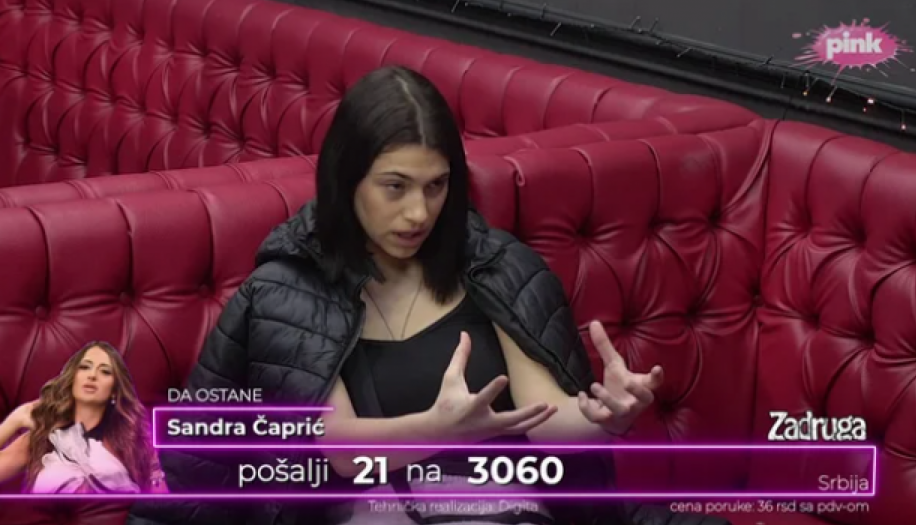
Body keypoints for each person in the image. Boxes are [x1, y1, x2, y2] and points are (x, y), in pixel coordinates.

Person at [127, 65, 728, 525]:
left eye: (436, 186)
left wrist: (606, 418)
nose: (419, 212)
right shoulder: (290, 289)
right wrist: (439, 430)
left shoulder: (494, 267)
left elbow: (545, 418)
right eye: (395, 187)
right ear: (346, 181)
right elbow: (336, 450)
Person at [0, 341, 167, 494]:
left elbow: (162, 506)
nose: (92, 375)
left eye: (105, 371)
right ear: (72, 378)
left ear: (115, 391)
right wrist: (14, 420)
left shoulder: (133, 443)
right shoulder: (41, 438)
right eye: (85, 367)